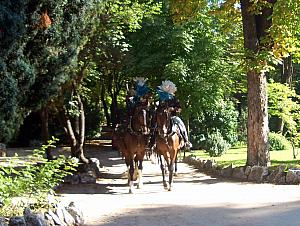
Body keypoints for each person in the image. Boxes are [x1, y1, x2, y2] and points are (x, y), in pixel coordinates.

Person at [156, 80, 192, 150]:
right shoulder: (161, 99)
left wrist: (173, 109)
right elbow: (158, 108)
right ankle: (151, 142)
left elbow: (179, 109)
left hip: (173, 117)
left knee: (181, 124)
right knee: (154, 125)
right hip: (162, 117)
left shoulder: (174, 99)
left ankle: (186, 141)